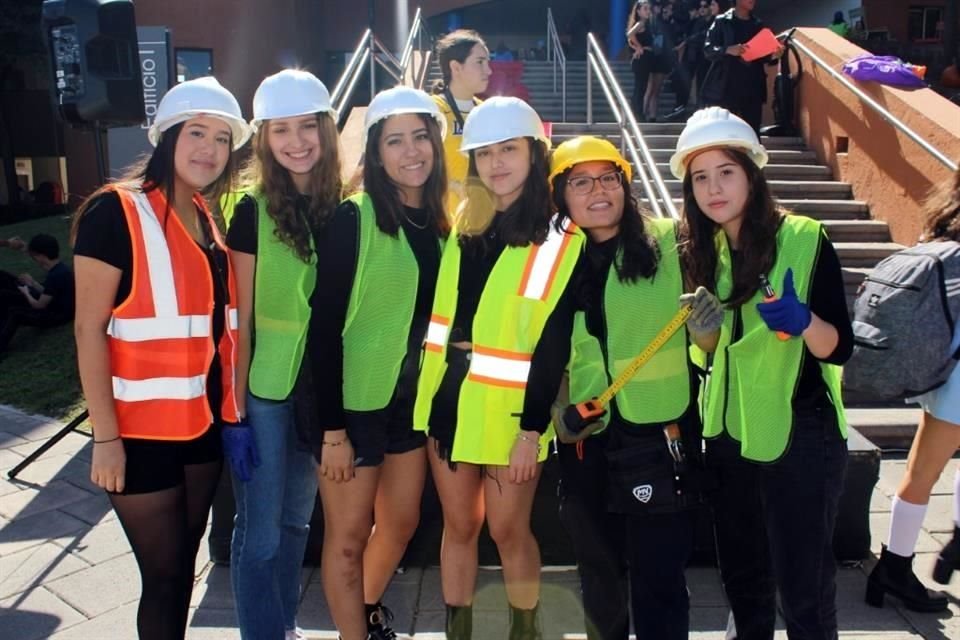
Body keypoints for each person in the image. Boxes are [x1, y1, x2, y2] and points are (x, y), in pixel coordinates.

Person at [72, 76, 250, 640]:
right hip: (138, 436)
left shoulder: (205, 218)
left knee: (183, 571)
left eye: (222, 139)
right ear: (167, 137)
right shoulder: (115, 212)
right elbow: (87, 329)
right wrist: (105, 437)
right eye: (197, 132)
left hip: (198, 430)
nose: (210, 149)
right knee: (165, 577)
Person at [674, 107, 852, 639]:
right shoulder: (699, 250)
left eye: (726, 172)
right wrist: (702, 342)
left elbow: (838, 349)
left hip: (799, 434)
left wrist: (805, 321)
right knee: (744, 586)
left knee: (805, 595)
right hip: (728, 440)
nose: (713, 188)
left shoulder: (803, 236)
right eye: (700, 177)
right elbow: (712, 357)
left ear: (753, 172)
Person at [414, 96, 584, 640]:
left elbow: (553, 346)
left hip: (513, 412)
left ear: (534, 154)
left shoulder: (562, 236)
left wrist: (531, 430)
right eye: (484, 154)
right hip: (451, 400)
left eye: (508, 149)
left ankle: (523, 630)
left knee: (511, 531)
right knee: (459, 526)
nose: (496, 163)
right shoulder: (467, 221)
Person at [549, 136, 722, 640]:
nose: (597, 190)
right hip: (587, 440)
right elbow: (545, 349)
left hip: (660, 435)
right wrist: (557, 410)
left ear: (626, 186)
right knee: (599, 576)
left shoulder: (671, 242)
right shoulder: (552, 263)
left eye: (609, 178)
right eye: (580, 182)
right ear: (561, 195)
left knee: (660, 579)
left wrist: (706, 330)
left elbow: (709, 344)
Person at [306, 86, 448, 640]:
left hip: (409, 406)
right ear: (375, 151)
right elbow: (323, 330)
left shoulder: (439, 222)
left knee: (402, 522)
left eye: (420, 137)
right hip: (353, 407)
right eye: (395, 140)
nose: (411, 151)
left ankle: (363, 614)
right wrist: (332, 429)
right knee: (344, 539)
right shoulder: (353, 217)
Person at [221, 69, 340, 640]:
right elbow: (237, 317)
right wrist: (236, 408)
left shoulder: (341, 203)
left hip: (319, 393)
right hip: (265, 393)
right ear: (263, 139)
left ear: (326, 129)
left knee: (297, 523)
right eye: (280, 130)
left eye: (306, 126)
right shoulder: (250, 209)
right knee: (261, 532)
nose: (296, 141)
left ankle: (285, 626)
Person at [864, 167, 960, 613]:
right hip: (955, 376)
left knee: (923, 470)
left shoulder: (942, 228)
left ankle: (905, 564)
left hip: (945, 369)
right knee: (922, 474)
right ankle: (895, 570)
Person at [431, 29, 491, 214]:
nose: (488, 70)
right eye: (480, 62)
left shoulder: (486, 111)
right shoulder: (432, 110)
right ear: (456, 68)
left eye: (487, 62)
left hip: (478, 223)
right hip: (440, 222)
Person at [701, 0, 782, 134]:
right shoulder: (722, 21)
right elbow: (708, 49)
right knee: (724, 132)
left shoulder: (758, 24)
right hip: (726, 86)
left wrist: (774, 55)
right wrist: (728, 49)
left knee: (752, 131)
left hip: (752, 86)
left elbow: (764, 57)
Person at [0, 233, 74, 353]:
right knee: (5, 294)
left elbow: (39, 305)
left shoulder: (54, 276)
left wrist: (26, 293)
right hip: (56, 306)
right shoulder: (60, 268)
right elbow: (49, 292)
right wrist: (33, 283)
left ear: (41, 256)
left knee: (15, 313)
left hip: (57, 315)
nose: (34, 258)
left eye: (34, 256)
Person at [627, 2, 655, 121]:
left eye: (648, 9)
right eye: (645, 9)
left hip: (645, 58)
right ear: (638, 11)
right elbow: (630, 34)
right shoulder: (641, 23)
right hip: (642, 59)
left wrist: (636, 47)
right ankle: (637, 113)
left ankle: (637, 112)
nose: (647, 11)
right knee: (640, 86)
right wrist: (638, 47)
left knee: (641, 86)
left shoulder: (647, 24)